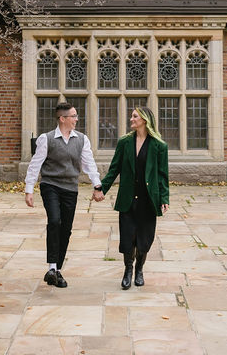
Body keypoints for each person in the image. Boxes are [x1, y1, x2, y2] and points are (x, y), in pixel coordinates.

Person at [24, 102, 104, 288]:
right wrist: (29, 189)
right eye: (74, 116)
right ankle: (52, 267)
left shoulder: (82, 139)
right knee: (55, 221)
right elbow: (35, 164)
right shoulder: (46, 139)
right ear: (62, 118)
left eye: (76, 116)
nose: (77, 119)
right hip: (50, 185)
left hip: (70, 188)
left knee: (66, 228)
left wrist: (97, 185)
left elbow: (88, 164)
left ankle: (56, 270)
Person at [99, 106, 169, 290]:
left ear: (144, 120)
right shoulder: (124, 143)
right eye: (131, 116)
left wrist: (164, 197)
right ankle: (127, 271)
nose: (131, 119)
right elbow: (114, 169)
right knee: (128, 237)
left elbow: (162, 174)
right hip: (128, 198)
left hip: (148, 199)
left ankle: (139, 270)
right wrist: (102, 189)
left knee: (144, 238)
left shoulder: (159, 146)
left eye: (134, 116)